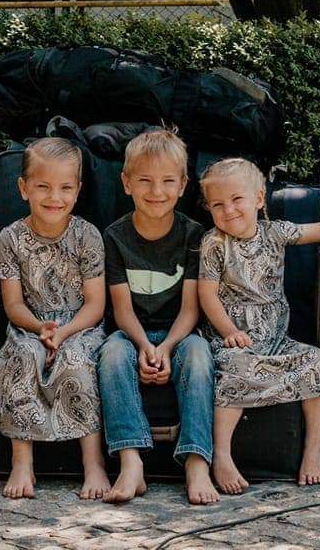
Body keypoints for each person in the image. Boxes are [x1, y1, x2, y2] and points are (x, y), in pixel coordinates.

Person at [197, 157, 320, 492]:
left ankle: (312, 452)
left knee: (316, 362)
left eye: (237, 200)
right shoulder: (214, 243)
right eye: (218, 204)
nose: (228, 210)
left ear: (259, 199)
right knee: (235, 368)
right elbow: (207, 296)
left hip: (275, 338)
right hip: (235, 339)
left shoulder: (275, 233)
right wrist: (230, 332)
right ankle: (221, 455)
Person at [0, 138, 110, 501]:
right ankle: (22, 459)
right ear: (24, 189)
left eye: (65, 188)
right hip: (31, 326)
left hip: (80, 327)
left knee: (76, 361)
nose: (55, 197)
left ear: (78, 190)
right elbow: (13, 304)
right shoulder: (10, 239)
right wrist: (40, 329)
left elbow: (95, 304)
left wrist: (65, 332)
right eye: (43, 187)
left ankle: (93, 461)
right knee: (22, 358)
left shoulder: (87, 236)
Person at [97, 129, 217, 506]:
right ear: (126, 182)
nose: (156, 191)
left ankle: (197, 459)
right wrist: (145, 345)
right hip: (131, 332)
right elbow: (121, 309)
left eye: (168, 181)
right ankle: (130, 460)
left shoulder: (194, 234)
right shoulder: (114, 237)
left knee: (199, 355)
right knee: (112, 355)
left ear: (183, 185)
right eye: (145, 181)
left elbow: (191, 308)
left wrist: (166, 346)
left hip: (180, 332)